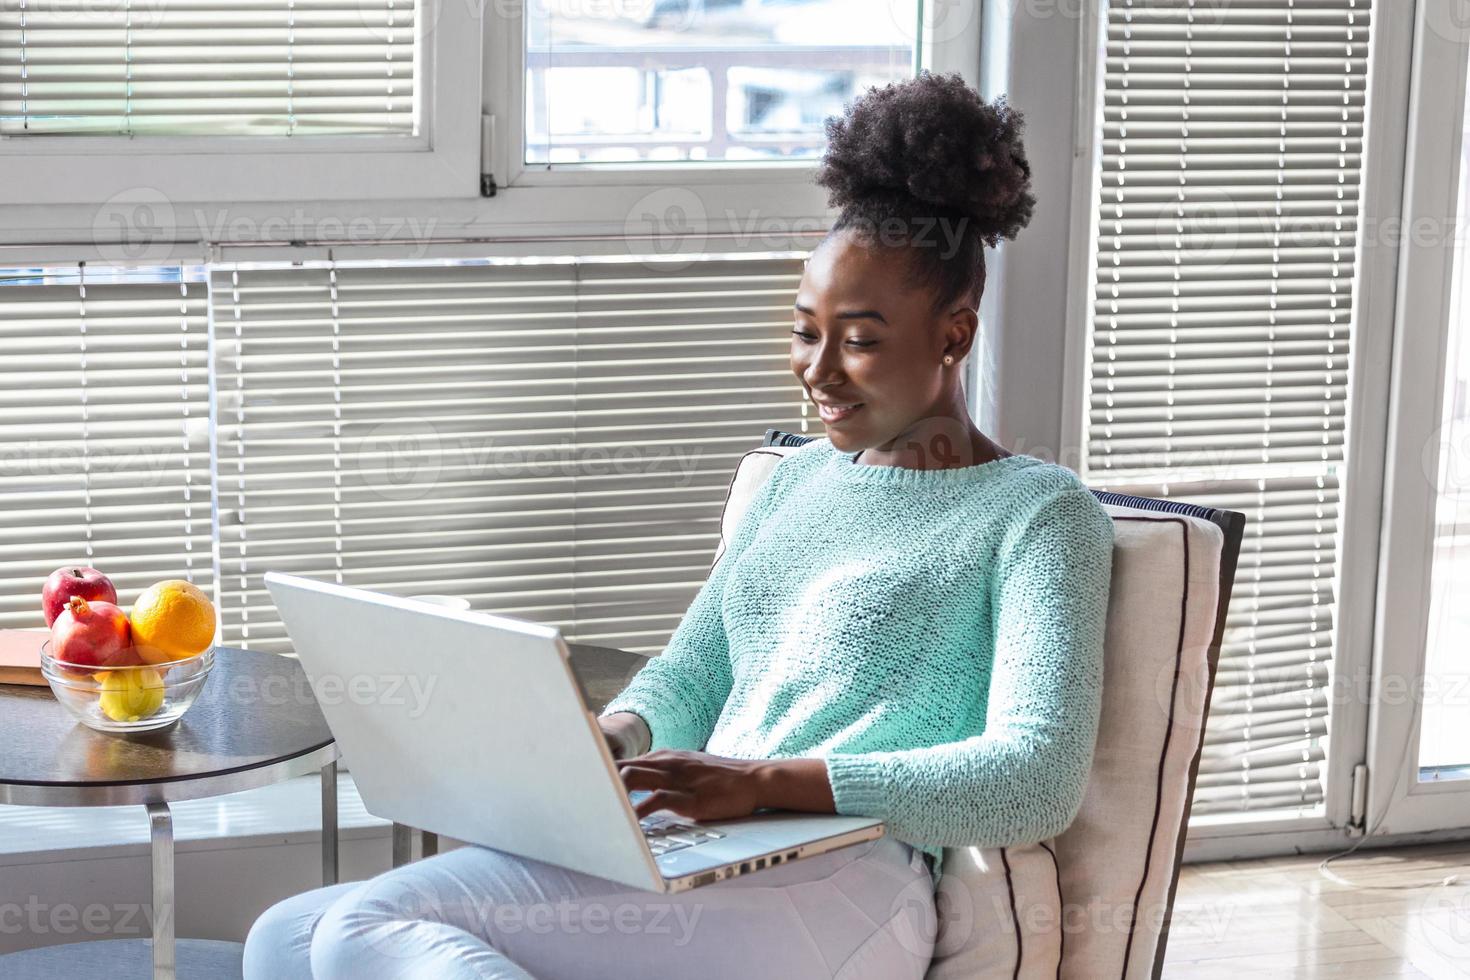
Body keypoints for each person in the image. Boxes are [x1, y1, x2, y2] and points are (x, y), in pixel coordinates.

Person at [242, 69, 1115, 980]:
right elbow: (695, 670)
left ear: (955, 333)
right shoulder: (794, 483)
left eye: (858, 340)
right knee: (285, 936)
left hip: (850, 881)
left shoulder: (1038, 514)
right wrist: (607, 743)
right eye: (803, 330)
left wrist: (764, 782)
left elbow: (1033, 781)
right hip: (713, 849)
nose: (817, 371)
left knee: (366, 928)